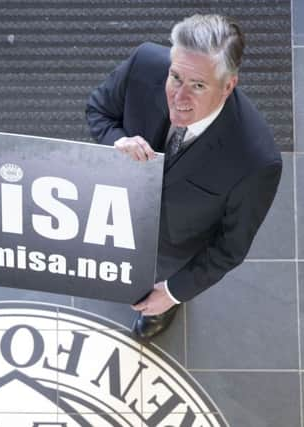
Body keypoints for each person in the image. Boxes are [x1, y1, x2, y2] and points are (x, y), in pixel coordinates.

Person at [86, 14, 282, 340]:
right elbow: (99, 110)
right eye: (176, 77)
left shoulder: (255, 161)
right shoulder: (144, 63)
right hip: (115, 211)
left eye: (198, 85)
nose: (179, 98)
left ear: (228, 85)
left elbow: (228, 249)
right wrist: (115, 143)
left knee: (150, 296)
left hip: (172, 252)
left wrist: (173, 293)